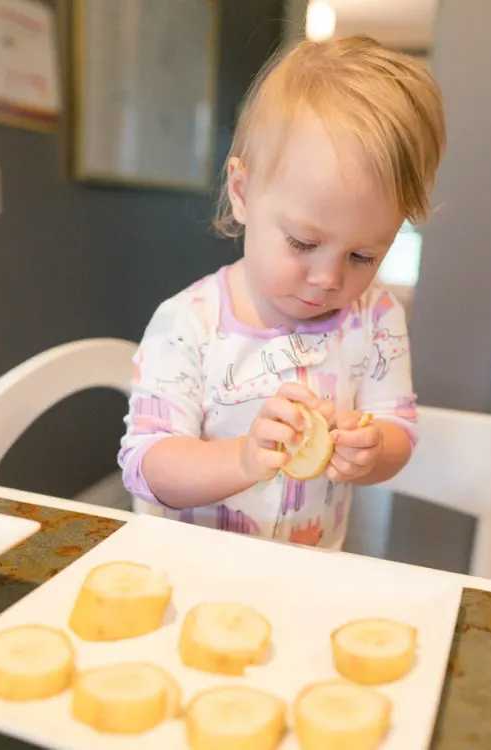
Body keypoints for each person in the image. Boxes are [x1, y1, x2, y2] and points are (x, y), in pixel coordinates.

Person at [118, 35, 446, 549]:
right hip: (191, 573)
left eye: (363, 256)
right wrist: (243, 457)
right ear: (243, 193)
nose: (329, 279)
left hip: (311, 575)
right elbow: (147, 466)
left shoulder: (375, 317)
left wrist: (372, 449)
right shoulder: (188, 323)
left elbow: (398, 430)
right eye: (304, 242)